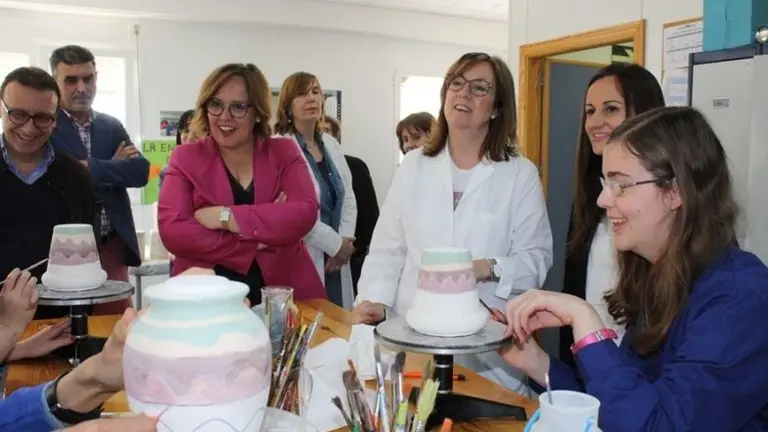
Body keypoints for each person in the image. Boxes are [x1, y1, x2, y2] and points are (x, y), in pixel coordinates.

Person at [501, 106, 768, 431]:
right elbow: (617, 404)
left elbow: (657, 425)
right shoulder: (661, 278)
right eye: (606, 182)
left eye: (621, 185)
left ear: (676, 191)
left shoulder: (742, 299)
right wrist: (534, 361)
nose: (602, 200)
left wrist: (586, 322)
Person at [354, 52, 553, 391]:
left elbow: (537, 259)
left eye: (479, 88)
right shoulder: (414, 166)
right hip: (413, 338)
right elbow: (388, 248)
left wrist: (486, 267)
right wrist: (375, 301)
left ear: (497, 108)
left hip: (488, 352)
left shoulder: (520, 174)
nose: (464, 93)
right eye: (456, 83)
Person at [158, 63, 324, 305]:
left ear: (257, 112)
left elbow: (304, 212)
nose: (224, 116)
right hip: (205, 298)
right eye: (216, 104)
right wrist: (256, 238)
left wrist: (225, 217)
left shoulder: (283, 151)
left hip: (285, 295)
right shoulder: (186, 157)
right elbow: (174, 231)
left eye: (238, 107)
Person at [559, 64, 665, 367]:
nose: (595, 122)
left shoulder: (662, 205)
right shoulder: (589, 199)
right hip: (591, 366)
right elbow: (575, 292)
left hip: (640, 371)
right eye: (590, 111)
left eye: (611, 109)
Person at [48, 45, 149, 315]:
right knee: (67, 327)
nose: (81, 88)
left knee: (115, 326)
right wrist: (113, 167)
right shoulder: (47, 125)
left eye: (88, 78)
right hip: (65, 252)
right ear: (56, 82)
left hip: (112, 246)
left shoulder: (110, 125)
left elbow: (140, 172)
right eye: (71, 80)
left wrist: (88, 167)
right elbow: (56, 177)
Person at [0, 67, 93, 352]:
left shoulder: (76, 177)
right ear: (2, 109)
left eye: (42, 118)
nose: (28, 129)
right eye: (18, 114)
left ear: (55, 121)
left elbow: (85, 256)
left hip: (59, 330)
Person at [274, 72, 357, 308]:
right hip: (303, 253)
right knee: (307, 321)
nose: (311, 98)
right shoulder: (278, 147)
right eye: (301, 94)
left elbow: (348, 196)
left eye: (315, 91)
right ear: (287, 106)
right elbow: (291, 211)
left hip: (337, 259)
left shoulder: (331, 144)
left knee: (340, 321)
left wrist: (344, 244)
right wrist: (334, 244)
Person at [322, 116, 380, 294]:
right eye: (319, 131)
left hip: (351, 254)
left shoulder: (354, 166)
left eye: (327, 131)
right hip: (318, 252)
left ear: (336, 138)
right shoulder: (301, 166)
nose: (322, 135)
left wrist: (349, 251)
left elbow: (369, 215)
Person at [159, 109, 195, 190]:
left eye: (197, 132)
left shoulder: (216, 168)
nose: (190, 137)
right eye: (186, 131)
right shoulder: (167, 170)